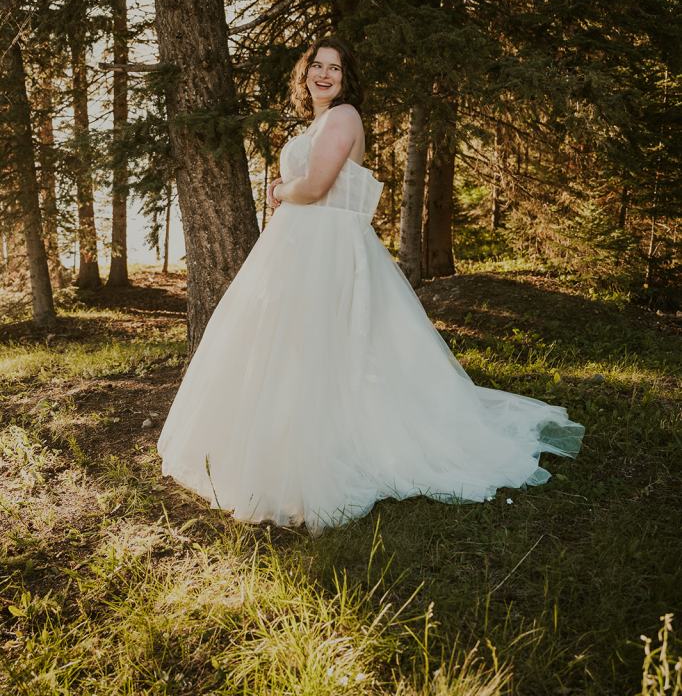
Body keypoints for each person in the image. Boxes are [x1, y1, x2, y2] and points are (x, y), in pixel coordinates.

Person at [157, 36, 584, 535]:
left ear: (346, 80)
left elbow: (315, 189)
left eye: (334, 69)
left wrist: (276, 190)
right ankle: (283, 445)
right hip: (298, 248)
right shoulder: (315, 124)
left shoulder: (344, 118)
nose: (323, 75)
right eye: (316, 66)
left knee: (331, 350)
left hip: (327, 250)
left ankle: (326, 455)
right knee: (295, 351)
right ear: (304, 74)